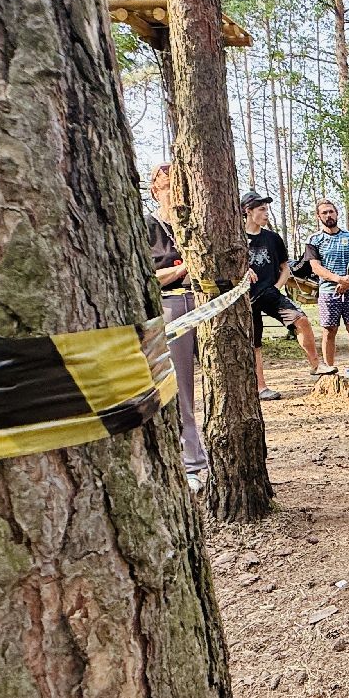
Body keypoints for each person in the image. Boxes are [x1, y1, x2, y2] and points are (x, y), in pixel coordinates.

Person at [146, 164, 208, 492]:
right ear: (156, 190)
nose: (175, 192)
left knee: (215, 384)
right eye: (168, 186)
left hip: (207, 302)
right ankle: (192, 462)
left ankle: (212, 452)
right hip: (172, 307)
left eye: (180, 186)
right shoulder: (148, 226)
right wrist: (183, 267)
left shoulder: (196, 226)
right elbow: (146, 276)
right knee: (181, 385)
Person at [243, 190, 322, 399]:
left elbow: (285, 268)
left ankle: (316, 366)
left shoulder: (273, 238)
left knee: (301, 319)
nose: (266, 213)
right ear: (248, 211)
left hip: (270, 293)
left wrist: (277, 286)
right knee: (255, 343)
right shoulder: (236, 239)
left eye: (267, 209)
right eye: (262, 209)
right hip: (245, 300)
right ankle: (261, 388)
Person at [304, 199, 349, 384]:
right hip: (328, 291)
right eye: (324, 213)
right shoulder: (313, 240)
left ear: (337, 213)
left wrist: (348, 281)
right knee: (329, 330)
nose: (328, 215)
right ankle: (328, 371)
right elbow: (316, 267)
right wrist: (338, 279)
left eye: (331, 212)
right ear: (319, 217)